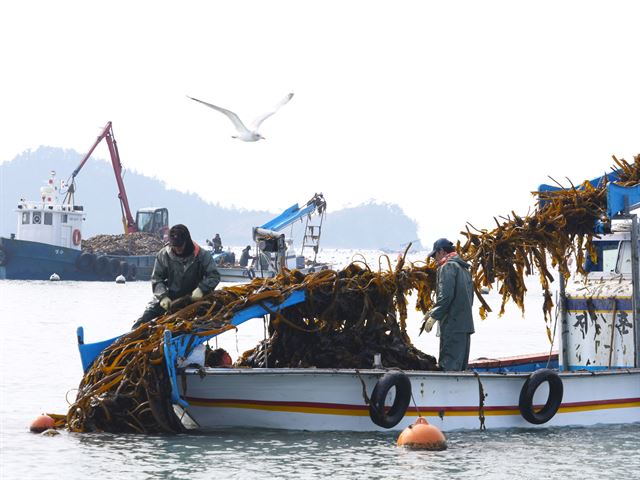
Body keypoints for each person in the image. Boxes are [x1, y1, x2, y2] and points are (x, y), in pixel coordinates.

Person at [133, 224, 221, 328]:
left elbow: (214, 275)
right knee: (143, 319)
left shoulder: (202, 255)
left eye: (180, 246)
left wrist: (202, 289)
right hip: (170, 299)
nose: (177, 249)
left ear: (186, 242)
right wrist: (162, 296)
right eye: (174, 246)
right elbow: (157, 278)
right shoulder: (163, 255)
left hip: (193, 298)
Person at [422, 238, 474, 371]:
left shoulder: (448, 267)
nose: (434, 259)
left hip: (453, 326)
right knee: (461, 368)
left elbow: (445, 297)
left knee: (449, 367)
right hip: (465, 326)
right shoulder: (464, 269)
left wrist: (434, 316)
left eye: (435, 255)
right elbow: (469, 298)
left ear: (441, 251)